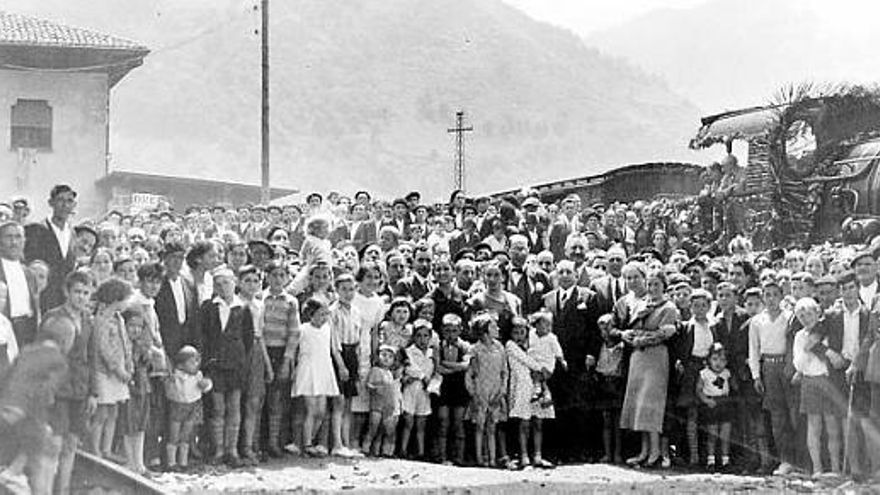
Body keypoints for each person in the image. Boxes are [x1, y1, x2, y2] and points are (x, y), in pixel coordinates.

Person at [616, 266, 679, 468]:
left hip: (656, 358)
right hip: (638, 359)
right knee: (639, 405)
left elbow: (664, 333)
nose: (652, 288)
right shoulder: (640, 305)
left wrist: (640, 339)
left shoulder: (669, 307)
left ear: (664, 286)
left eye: (656, 284)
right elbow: (631, 329)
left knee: (651, 404)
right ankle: (643, 451)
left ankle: (655, 453)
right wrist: (633, 334)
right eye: (650, 284)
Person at [200, 267, 254, 467]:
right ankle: (219, 450)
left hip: (235, 365)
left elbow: (248, 338)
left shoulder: (243, 308)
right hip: (215, 365)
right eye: (219, 283)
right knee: (218, 407)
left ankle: (232, 450)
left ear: (235, 284)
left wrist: (239, 357)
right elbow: (203, 335)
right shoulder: (208, 307)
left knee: (234, 407)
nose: (223, 287)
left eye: (227, 282)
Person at [792, 297, 845, 477]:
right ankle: (817, 468)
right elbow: (798, 364)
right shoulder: (800, 336)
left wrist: (819, 346)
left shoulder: (826, 332)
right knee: (814, 425)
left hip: (828, 380)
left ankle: (836, 468)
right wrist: (807, 350)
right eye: (801, 315)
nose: (806, 318)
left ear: (817, 313)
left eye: (809, 314)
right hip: (810, 381)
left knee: (832, 425)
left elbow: (833, 356)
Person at [748, 280, 797, 475]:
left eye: (774, 294)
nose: (771, 299)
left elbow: (794, 344)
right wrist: (756, 375)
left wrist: (790, 365)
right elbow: (754, 350)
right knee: (777, 418)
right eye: (767, 295)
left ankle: (800, 460)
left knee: (793, 414)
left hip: (787, 366)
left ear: (781, 296)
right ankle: (785, 461)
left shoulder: (789, 317)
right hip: (768, 367)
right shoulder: (757, 321)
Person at [293, 297, 346, 458]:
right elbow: (295, 351)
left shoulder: (328, 329)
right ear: (311, 314)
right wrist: (294, 369)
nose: (324, 318)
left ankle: (310, 440)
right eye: (321, 314)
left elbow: (334, 350)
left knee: (321, 411)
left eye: (326, 314)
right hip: (308, 369)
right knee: (310, 409)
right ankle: (306, 444)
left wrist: (342, 366)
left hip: (324, 369)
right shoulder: (303, 329)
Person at [90, 278, 134, 459]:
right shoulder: (102, 320)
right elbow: (104, 349)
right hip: (105, 372)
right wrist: (118, 370)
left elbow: (125, 344)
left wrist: (128, 364)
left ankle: (107, 449)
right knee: (102, 412)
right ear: (116, 298)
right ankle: (95, 449)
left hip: (120, 371)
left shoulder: (119, 319)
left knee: (113, 412)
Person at [261, 260, 300, 458]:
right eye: (273, 275)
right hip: (262, 351)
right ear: (266, 277)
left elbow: (294, 333)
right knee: (259, 397)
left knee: (277, 400)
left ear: (287, 278)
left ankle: (274, 442)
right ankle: (258, 442)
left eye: (281, 275)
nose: (277, 279)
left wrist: (287, 360)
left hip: (281, 352)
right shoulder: (261, 299)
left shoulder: (291, 301)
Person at [674, 288, 715, 467]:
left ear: (708, 307)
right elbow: (680, 349)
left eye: (703, 306)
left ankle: (711, 456)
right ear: (690, 307)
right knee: (692, 413)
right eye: (695, 306)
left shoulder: (714, 326)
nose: (699, 309)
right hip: (691, 369)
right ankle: (693, 455)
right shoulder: (685, 327)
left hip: (710, 369)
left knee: (710, 413)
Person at [24, 185, 78, 313]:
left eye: (69, 201)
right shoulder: (36, 230)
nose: (65, 205)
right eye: (60, 200)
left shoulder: (72, 233)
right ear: (51, 203)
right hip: (41, 298)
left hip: (65, 300)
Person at [328, 273, 365, 458]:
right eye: (344, 289)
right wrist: (341, 365)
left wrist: (355, 368)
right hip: (339, 355)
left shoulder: (357, 311)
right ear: (336, 290)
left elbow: (358, 340)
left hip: (352, 355)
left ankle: (346, 443)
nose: (348, 293)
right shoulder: (333, 311)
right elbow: (334, 342)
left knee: (349, 403)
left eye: (351, 289)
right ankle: (336, 444)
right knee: (339, 402)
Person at [466, 313, 509, 468]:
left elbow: (504, 371)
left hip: (495, 390)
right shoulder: (475, 349)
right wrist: (473, 393)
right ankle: (480, 458)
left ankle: (492, 458)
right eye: (493, 326)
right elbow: (469, 373)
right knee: (479, 426)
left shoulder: (500, 347)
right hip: (480, 390)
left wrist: (502, 390)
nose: (497, 328)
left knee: (492, 426)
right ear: (484, 330)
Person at [164, 346, 213, 472]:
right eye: (191, 362)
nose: (195, 365)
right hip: (178, 407)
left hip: (192, 407)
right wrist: (171, 381)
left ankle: (183, 462)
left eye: (197, 361)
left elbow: (206, 388)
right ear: (181, 365)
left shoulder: (198, 376)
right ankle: (171, 462)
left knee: (186, 435)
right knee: (174, 435)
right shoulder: (176, 376)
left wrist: (206, 384)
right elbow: (170, 392)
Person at [435, 313, 471, 465]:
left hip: (460, 387)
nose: (451, 334)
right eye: (448, 330)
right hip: (443, 386)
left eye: (454, 330)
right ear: (443, 330)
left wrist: (447, 364)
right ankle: (442, 456)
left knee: (458, 422)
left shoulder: (465, 346)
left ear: (460, 330)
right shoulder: (438, 346)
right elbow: (438, 368)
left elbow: (466, 365)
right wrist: (455, 368)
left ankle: (459, 457)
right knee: (443, 420)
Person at [0, 221, 40, 347]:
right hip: (5, 330)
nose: (14, 242)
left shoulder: (29, 273)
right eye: (9, 237)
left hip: (27, 330)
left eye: (18, 237)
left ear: (24, 241)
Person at [697, 342, 736, 471]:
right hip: (712, 405)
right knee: (712, 434)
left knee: (725, 434)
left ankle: (726, 461)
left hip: (725, 403)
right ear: (708, 360)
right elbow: (699, 390)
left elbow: (733, 386)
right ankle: (711, 460)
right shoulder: (704, 373)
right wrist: (706, 400)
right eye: (715, 359)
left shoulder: (727, 373)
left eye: (722, 360)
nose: (718, 363)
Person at [400, 320, 434, 459]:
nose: (422, 339)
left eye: (425, 336)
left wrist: (431, 382)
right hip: (411, 388)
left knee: (421, 422)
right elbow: (409, 368)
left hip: (425, 391)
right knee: (408, 421)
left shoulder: (432, 353)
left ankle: (420, 452)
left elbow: (434, 370)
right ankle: (403, 449)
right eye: (419, 335)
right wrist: (421, 376)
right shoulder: (409, 352)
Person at [364, 344, 402, 457]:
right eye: (384, 355)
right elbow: (369, 385)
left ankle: (381, 450)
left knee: (384, 430)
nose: (386, 358)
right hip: (377, 404)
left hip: (388, 405)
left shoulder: (390, 374)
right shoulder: (375, 370)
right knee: (373, 427)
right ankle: (366, 448)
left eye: (390, 356)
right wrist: (376, 388)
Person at [527, 310, 566, 409]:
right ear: (536, 325)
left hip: (546, 364)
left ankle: (538, 392)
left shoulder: (551, 338)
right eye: (544, 326)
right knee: (540, 380)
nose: (547, 328)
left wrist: (562, 361)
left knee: (539, 376)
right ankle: (547, 397)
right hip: (533, 362)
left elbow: (558, 351)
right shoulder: (531, 334)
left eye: (549, 326)